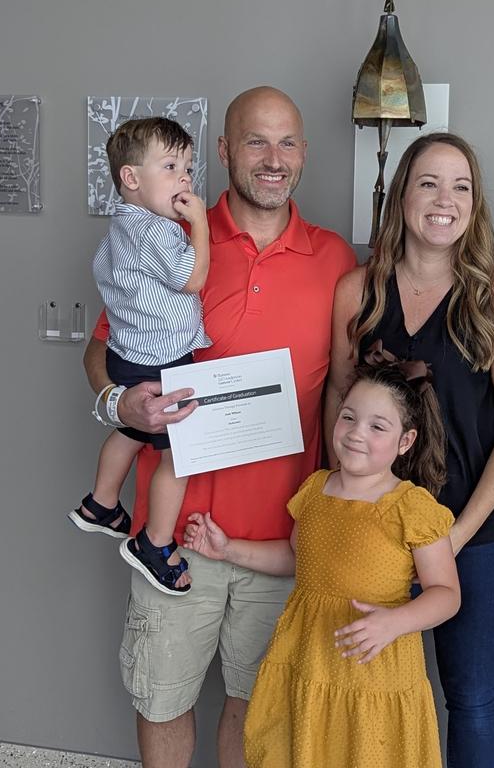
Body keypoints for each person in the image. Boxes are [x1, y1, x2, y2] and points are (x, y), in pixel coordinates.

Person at [83, 87, 356, 768]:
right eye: (256, 142)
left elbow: (346, 391)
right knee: (162, 698)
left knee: (256, 706)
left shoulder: (335, 261)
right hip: (172, 535)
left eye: (288, 142)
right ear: (224, 150)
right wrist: (122, 405)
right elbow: (102, 349)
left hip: (282, 538)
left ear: (304, 154)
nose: (273, 159)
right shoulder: (165, 235)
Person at [326, 132, 494, 768]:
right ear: (402, 195)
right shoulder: (359, 291)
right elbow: (340, 400)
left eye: (461, 186)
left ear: (474, 205)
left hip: (484, 533)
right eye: (428, 182)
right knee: (369, 682)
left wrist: (452, 537)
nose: (444, 199)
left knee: (474, 696)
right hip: (381, 525)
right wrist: (346, 504)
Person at [181, 357, 460, 768]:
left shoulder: (412, 507)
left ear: (406, 441)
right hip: (307, 655)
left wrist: (394, 622)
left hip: (372, 667)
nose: (356, 434)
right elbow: (296, 557)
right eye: (349, 417)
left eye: (377, 426)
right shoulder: (315, 488)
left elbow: (447, 594)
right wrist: (228, 549)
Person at [73, 117, 209, 595]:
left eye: (188, 168)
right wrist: (201, 224)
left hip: (128, 355)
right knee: (182, 453)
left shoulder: (118, 230)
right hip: (163, 357)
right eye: (171, 166)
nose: (186, 178)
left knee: (129, 431)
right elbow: (191, 280)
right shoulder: (159, 231)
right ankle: (153, 541)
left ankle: (101, 501)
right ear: (132, 179)